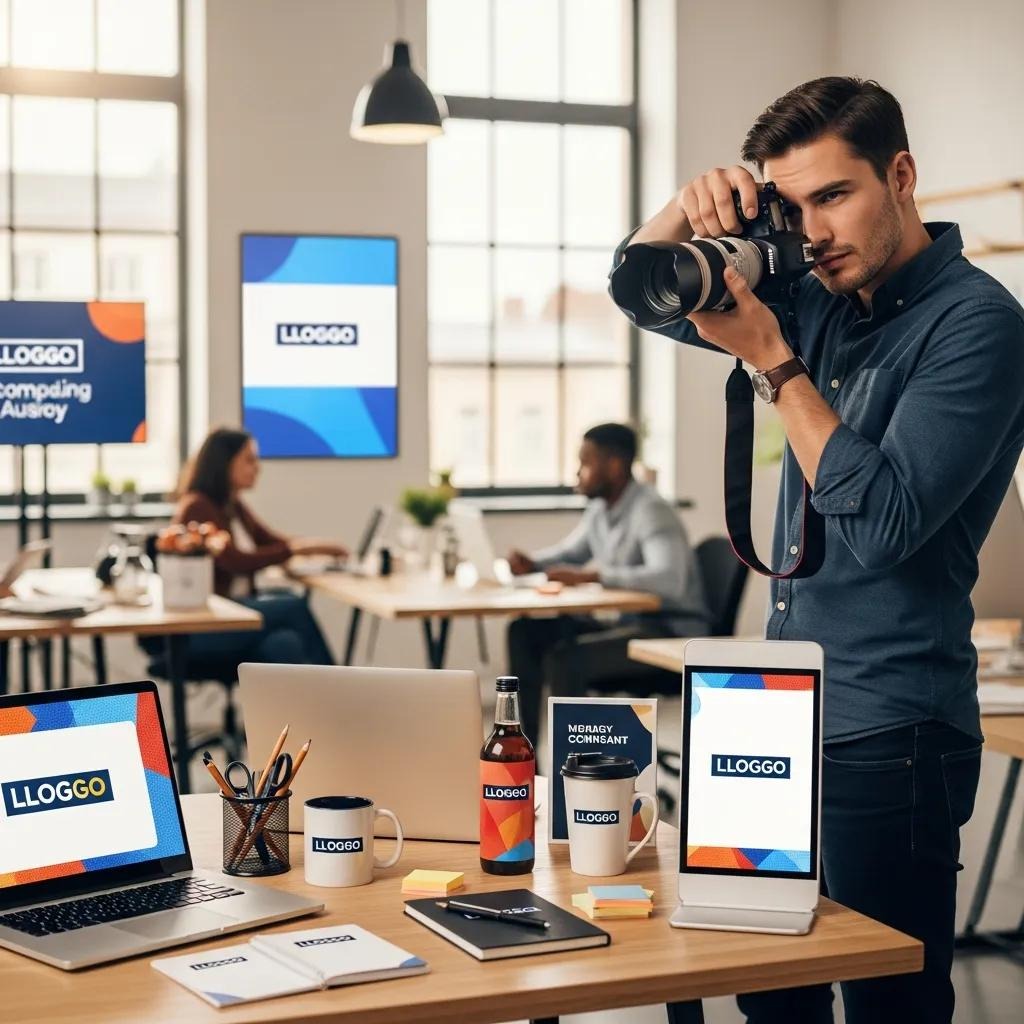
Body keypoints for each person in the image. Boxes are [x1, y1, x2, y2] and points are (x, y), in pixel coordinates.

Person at [615, 77, 1024, 1024]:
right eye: (791, 207)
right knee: (766, 989)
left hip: (891, 726)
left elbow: (882, 527)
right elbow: (637, 292)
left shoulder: (981, 329)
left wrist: (772, 358)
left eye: (833, 196)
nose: (814, 231)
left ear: (903, 176)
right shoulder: (812, 292)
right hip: (765, 710)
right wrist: (692, 202)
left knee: (889, 1004)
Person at [506, 422, 710, 744]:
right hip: (626, 624)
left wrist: (594, 575)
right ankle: (524, 754)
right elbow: (572, 552)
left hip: (666, 631)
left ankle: (571, 768)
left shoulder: (651, 510)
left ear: (614, 465)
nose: (577, 473)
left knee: (566, 659)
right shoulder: (601, 508)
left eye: (585, 463)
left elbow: (669, 579)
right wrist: (532, 562)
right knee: (525, 632)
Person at [171, 427, 348, 667]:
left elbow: (273, 542)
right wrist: (297, 550)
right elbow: (238, 561)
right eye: (249, 460)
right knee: (293, 606)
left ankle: (313, 702)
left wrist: (315, 547)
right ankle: (339, 689)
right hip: (210, 623)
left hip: (240, 612)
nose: (257, 468)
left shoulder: (233, 506)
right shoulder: (197, 507)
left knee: (284, 643)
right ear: (224, 463)